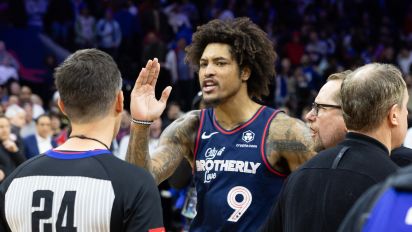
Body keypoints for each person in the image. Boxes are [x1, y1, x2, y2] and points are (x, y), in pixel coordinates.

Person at [126, 17, 315, 231]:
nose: (208, 71)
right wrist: (140, 122)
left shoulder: (284, 132)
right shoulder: (189, 127)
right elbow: (139, 183)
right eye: (204, 64)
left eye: (220, 63)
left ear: (245, 72)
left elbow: (317, 204)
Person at [0, 48, 164, 231]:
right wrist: (141, 122)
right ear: (119, 101)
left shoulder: (13, 182)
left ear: (62, 106)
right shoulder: (135, 183)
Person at [262, 63, 406, 232]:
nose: (309, 116)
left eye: (320, 108)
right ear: (394, 114)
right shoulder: (393, 182)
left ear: (348, 113)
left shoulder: (299, 176)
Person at [0, 116, 26, 182]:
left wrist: (15, 151)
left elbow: (24, 165)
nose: (5, 130)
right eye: (1, 127)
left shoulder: (16, 142)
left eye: (7, 126)